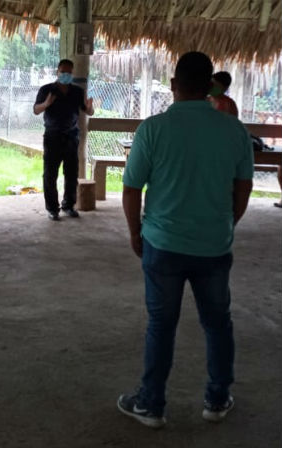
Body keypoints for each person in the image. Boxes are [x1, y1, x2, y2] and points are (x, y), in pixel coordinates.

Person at [118, 52, 253, 428]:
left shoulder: (153, 129)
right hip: (214, 245)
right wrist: (228, 222)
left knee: (161, 324)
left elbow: (131, 190)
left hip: (162, 243)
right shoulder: (233, 130)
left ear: (173, 84)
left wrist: (135, 231)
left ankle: (151, 404)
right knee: (217, 322)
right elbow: (243, 188)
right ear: (211, 84)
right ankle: (216, 398)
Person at [33, 59, 94, 221]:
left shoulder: (77, 92)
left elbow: (88, 112)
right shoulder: (47, 90)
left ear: (72, 73)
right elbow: (36, 110)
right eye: (62, 72)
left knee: (71, 173)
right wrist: (46, 104)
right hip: (52, 137)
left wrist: (89, 108)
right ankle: (53, 209)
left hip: (71, 137)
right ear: (57, 72)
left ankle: (68, 205)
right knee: (50, 174)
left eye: (68, 72)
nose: (65, 75)